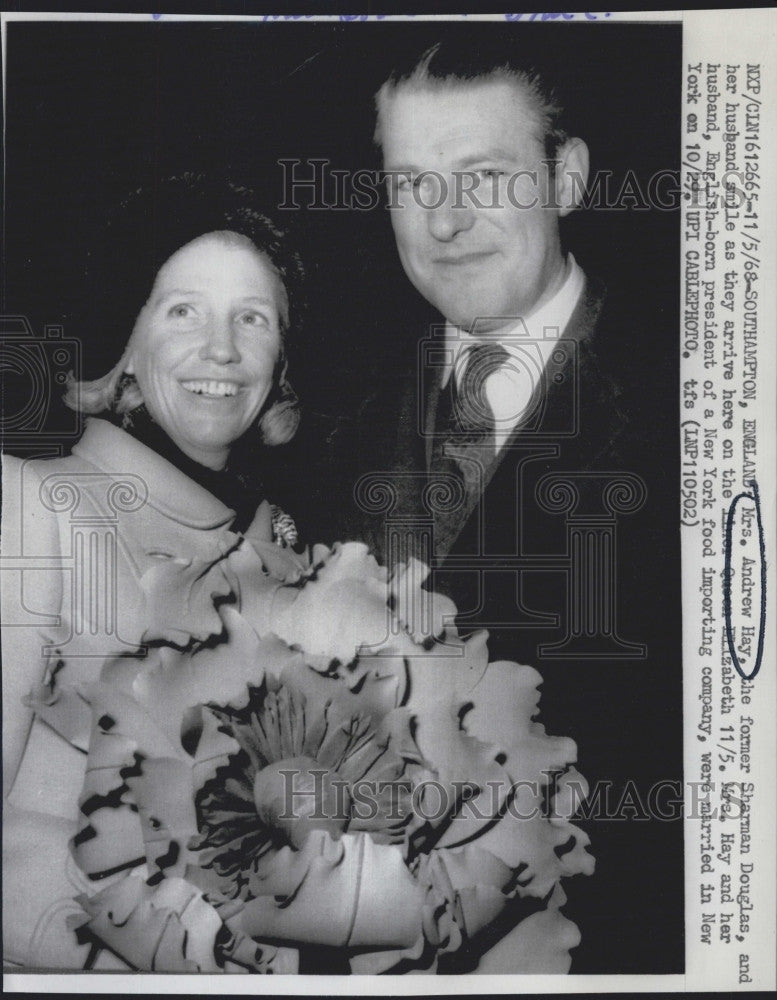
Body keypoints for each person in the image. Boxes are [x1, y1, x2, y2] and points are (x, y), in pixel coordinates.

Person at [305, 38, 683, 973]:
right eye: (412, 183)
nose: (444, 223)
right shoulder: (334, 423)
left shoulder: (700, 405)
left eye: (483, 176)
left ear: (567, 178)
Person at [1, 175, 305, 968]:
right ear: (126, 348)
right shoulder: (31, 503)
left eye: (253, 319)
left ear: (279, 363)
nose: (221, 349)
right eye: (183, 311)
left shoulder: (291, 557)